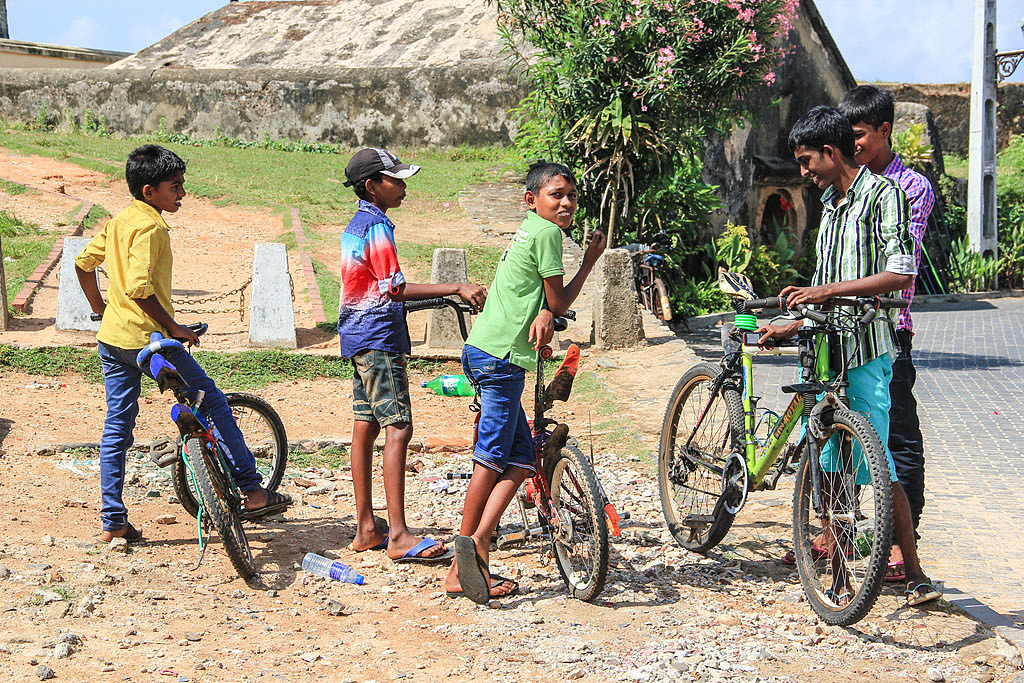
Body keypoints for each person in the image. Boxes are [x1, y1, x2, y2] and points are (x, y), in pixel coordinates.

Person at [758, 106, 940, 606]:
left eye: (805, 160)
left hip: (865, 348)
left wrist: (826, 293)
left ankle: (916, 572)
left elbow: (901, 273)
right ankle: (836, 569)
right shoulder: (831, 204)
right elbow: (823, 284)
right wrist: (796, 319)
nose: (802, 172)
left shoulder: (886, 197)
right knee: (829, 460)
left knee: (878, 463)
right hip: (823, 347)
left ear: (830, 153)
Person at [75, 144, 291, 543]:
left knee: (117, 426)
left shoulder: (120, 221)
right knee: (211, 400)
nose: (182, 194)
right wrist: (174, 326)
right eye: (175, 187)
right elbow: (140, 288)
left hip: (111, 342)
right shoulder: (151, 227)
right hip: (149, 343)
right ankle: (253, 489)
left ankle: (113, 519)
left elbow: (83, 264)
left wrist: (101, 309)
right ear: (149, 192)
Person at [444, 161, 606, 604]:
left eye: (571, 195)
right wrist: (589, 261)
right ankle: (464, 563)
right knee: (491, 457)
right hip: (499, 360)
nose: (567, 202)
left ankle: (476, 543)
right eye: (556, 195)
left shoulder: (529, 230)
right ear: (532, 200)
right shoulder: (547, 233)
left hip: (488, 353)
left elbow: (544, 301)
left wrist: (548, 311)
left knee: (519, 458)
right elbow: (559, 298)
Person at [338, 147, 486, 564]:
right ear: (372, 186)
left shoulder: (355, 226)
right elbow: (395, 289)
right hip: (380, 338)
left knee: (365, 424)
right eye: (396, 180)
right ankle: (399, 535)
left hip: (357, 334)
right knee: (398, 427)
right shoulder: (378, 227)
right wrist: (456, 288)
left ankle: (367, 526)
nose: (403, 187)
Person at [838, 85, 935, 583]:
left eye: (860, 136)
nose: (853, 146)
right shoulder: (844, 189)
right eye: (846, 138)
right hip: (842, 328)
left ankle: (903, 544)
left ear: (884, 130)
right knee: (837, 432)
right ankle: (834, 537)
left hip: (889, 330)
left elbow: (898, 262)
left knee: (896, 439)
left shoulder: (908, 188)